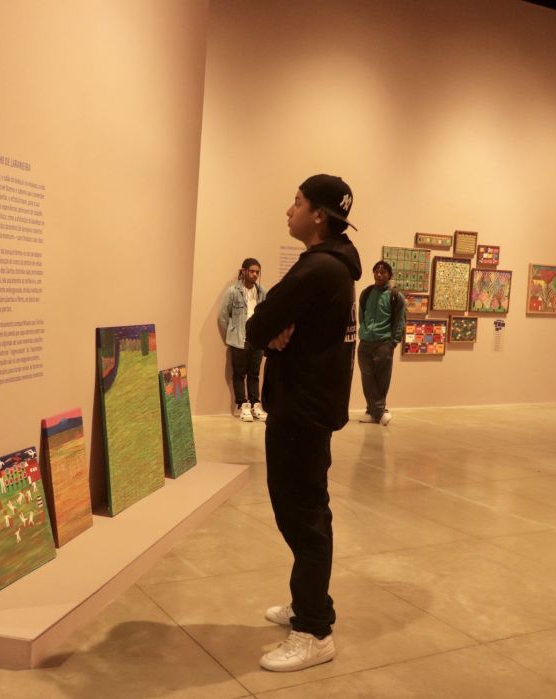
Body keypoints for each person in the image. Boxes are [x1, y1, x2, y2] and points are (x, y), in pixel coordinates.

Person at [245, 174, 361, 672]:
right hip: (310, 407)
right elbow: (270, 327)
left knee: (303, 517)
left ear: (318, 215)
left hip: (301, 410)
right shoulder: (338, 266)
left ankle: (314, 630)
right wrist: (274, 332)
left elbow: (256, 326)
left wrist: (271, 333)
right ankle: (309, 603)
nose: (288, 211)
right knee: (307, 511)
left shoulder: (316, 269)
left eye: (296, 203)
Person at [218, 258, 267, 421]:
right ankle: (243, 405)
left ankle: (255, 404)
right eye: (252, 271)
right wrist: (230, 335)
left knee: (254, 373)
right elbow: (222, 317)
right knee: (239, 373)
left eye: (257, 272)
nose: (254, 274)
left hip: (257, 339)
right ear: (244, 271)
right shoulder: (233, 291)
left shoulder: (262, 292)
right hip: (239, 340)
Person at [357, 261, 405, 426]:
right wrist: (364, 331)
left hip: (384, 343)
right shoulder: (366, 293)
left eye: (383, 272)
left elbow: (400, 321)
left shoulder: (396, 296)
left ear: (389, 275)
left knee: (382, 380)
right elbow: (361, 315)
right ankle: (380, 412)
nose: (379, 274)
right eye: (376, 271)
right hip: (365, 343)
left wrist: (393, 342)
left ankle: (372, 412)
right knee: (367, 378)